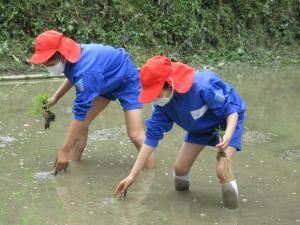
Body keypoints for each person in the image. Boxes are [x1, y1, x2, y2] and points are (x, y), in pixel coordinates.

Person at [115, 56, 246, 209]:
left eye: (156, 92)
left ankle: (231, 214)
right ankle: (181, 208)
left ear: (169, 84)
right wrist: (132, 175)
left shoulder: (203, 87)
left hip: (224, 123)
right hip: (198, 127)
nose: (154, 98)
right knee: (180, 169)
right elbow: (151, 139)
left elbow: (231, 113)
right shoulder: (161, 105)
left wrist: (228, 135)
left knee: (223, 171)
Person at [29, 30, 155, 174]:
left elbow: (80, 112)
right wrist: (55, 98)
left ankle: (150, 176)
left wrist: (64, 150)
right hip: (103, 80)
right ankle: (75, 167)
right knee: (80, 128)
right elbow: (74, 76)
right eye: (44, 64)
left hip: (126, 81)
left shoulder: (87, 71)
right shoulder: (71, 59)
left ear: (62, 55)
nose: (48, 68)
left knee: (135, 135)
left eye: (50, 63)